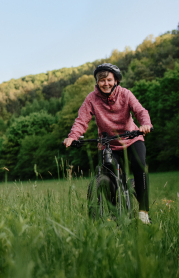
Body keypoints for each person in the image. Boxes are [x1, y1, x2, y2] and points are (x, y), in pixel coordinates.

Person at [63, 63, 153, 223]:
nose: (106, 83)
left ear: (116, 80)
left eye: (109, 80)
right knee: (109, 176)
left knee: (140, 165)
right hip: (108, 144)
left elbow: (140, 111)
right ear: (97, 82)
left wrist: (145, 124)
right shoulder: (91, 98)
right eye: (101, 80)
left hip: (132, 139)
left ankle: (143, 212)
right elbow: (81, 120)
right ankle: (114, 214)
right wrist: (73, 136)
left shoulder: (125, 94)